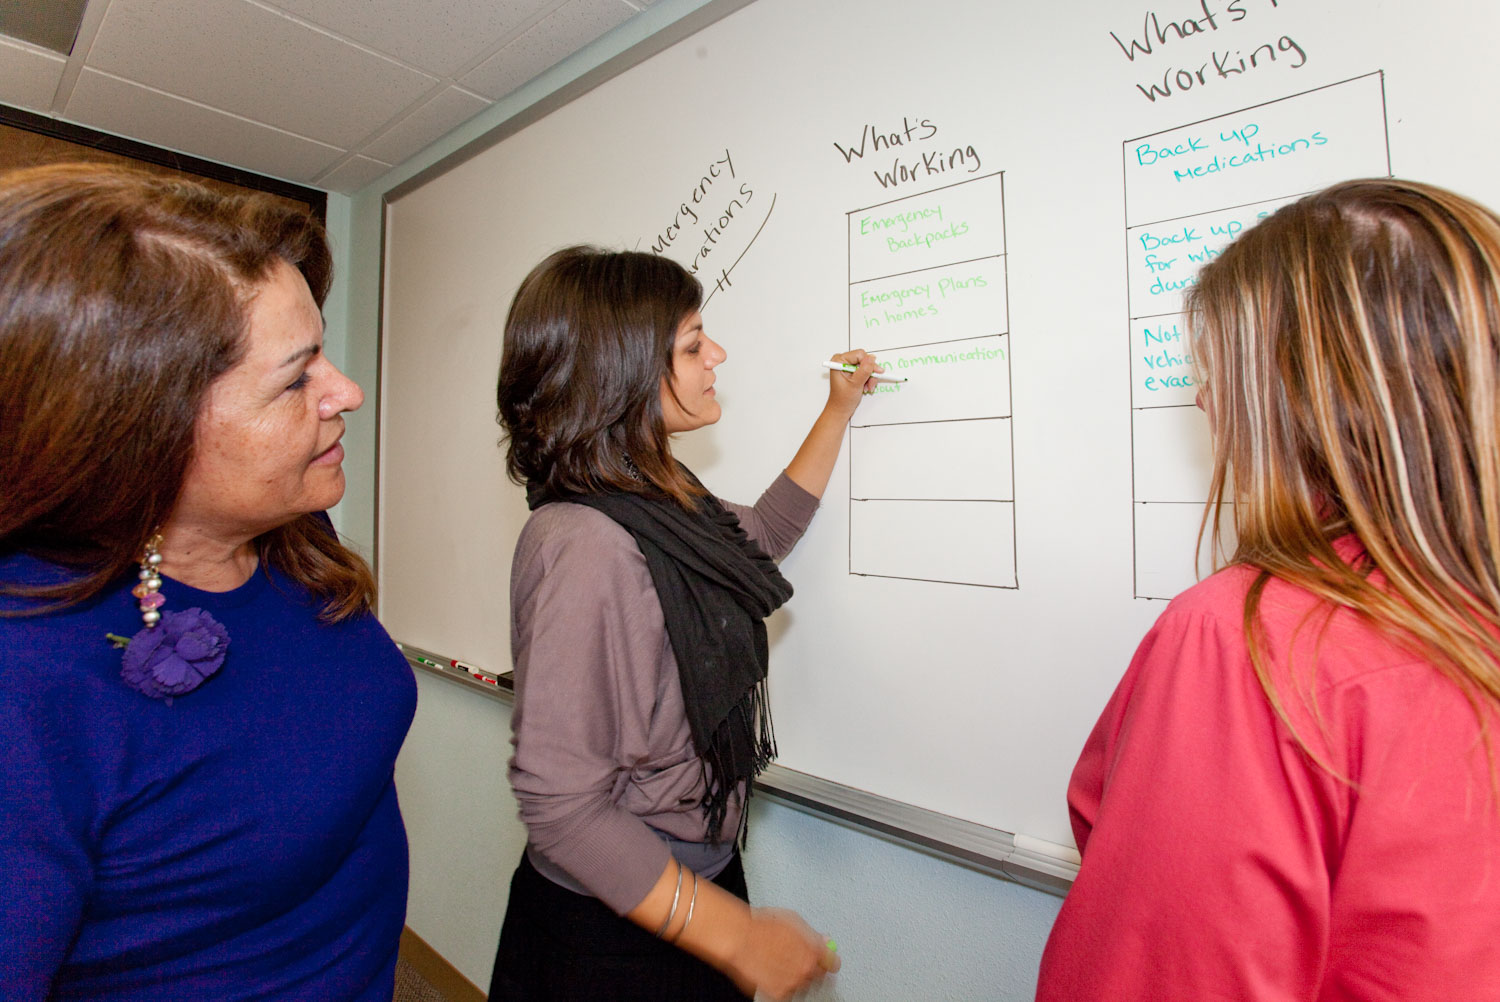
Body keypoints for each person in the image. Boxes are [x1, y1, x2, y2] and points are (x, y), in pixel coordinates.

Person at [1037, 178, 1500, 1000]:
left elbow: (1160, 976)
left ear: (1298, 393)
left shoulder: (1255, 638)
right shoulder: (1462, 608)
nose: (1207, 401)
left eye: (1219, 373)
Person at [0, 164, 416, 1001]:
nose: (347, 392)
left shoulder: (293, 534)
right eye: (295, 378)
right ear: (137, 425)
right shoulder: (23, 680)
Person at [488, 245, 879, 1001]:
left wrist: (837, 409)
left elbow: (760, 534)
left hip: (693, 880)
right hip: (609, 931)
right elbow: (561, 805)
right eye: (695, 343)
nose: (717, 355)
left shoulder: (662, 502)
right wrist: (738, 937)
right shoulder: (585, 543)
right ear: (623, 372)